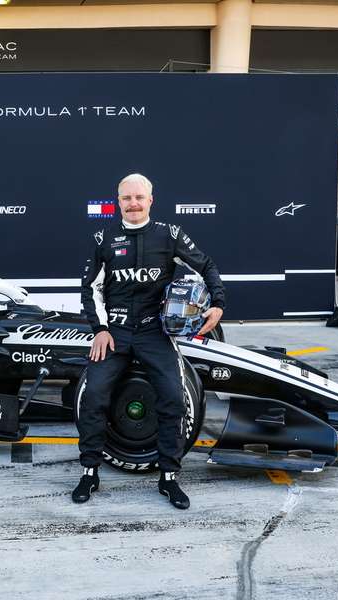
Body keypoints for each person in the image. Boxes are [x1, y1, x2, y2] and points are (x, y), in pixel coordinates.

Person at [74, 173, 225, 509]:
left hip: (155, 332)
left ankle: (169, 477)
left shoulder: (169, 235)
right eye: (127, 198)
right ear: (118, 201)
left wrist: (218, 302)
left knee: (173, 397)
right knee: (94, 396)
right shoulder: (103, 237)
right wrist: (100, 329)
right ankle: (89, 472)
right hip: (115, 333)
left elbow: (206, 265)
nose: (133, 204)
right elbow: (90, 289)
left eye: (139, 197)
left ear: (151, 200)